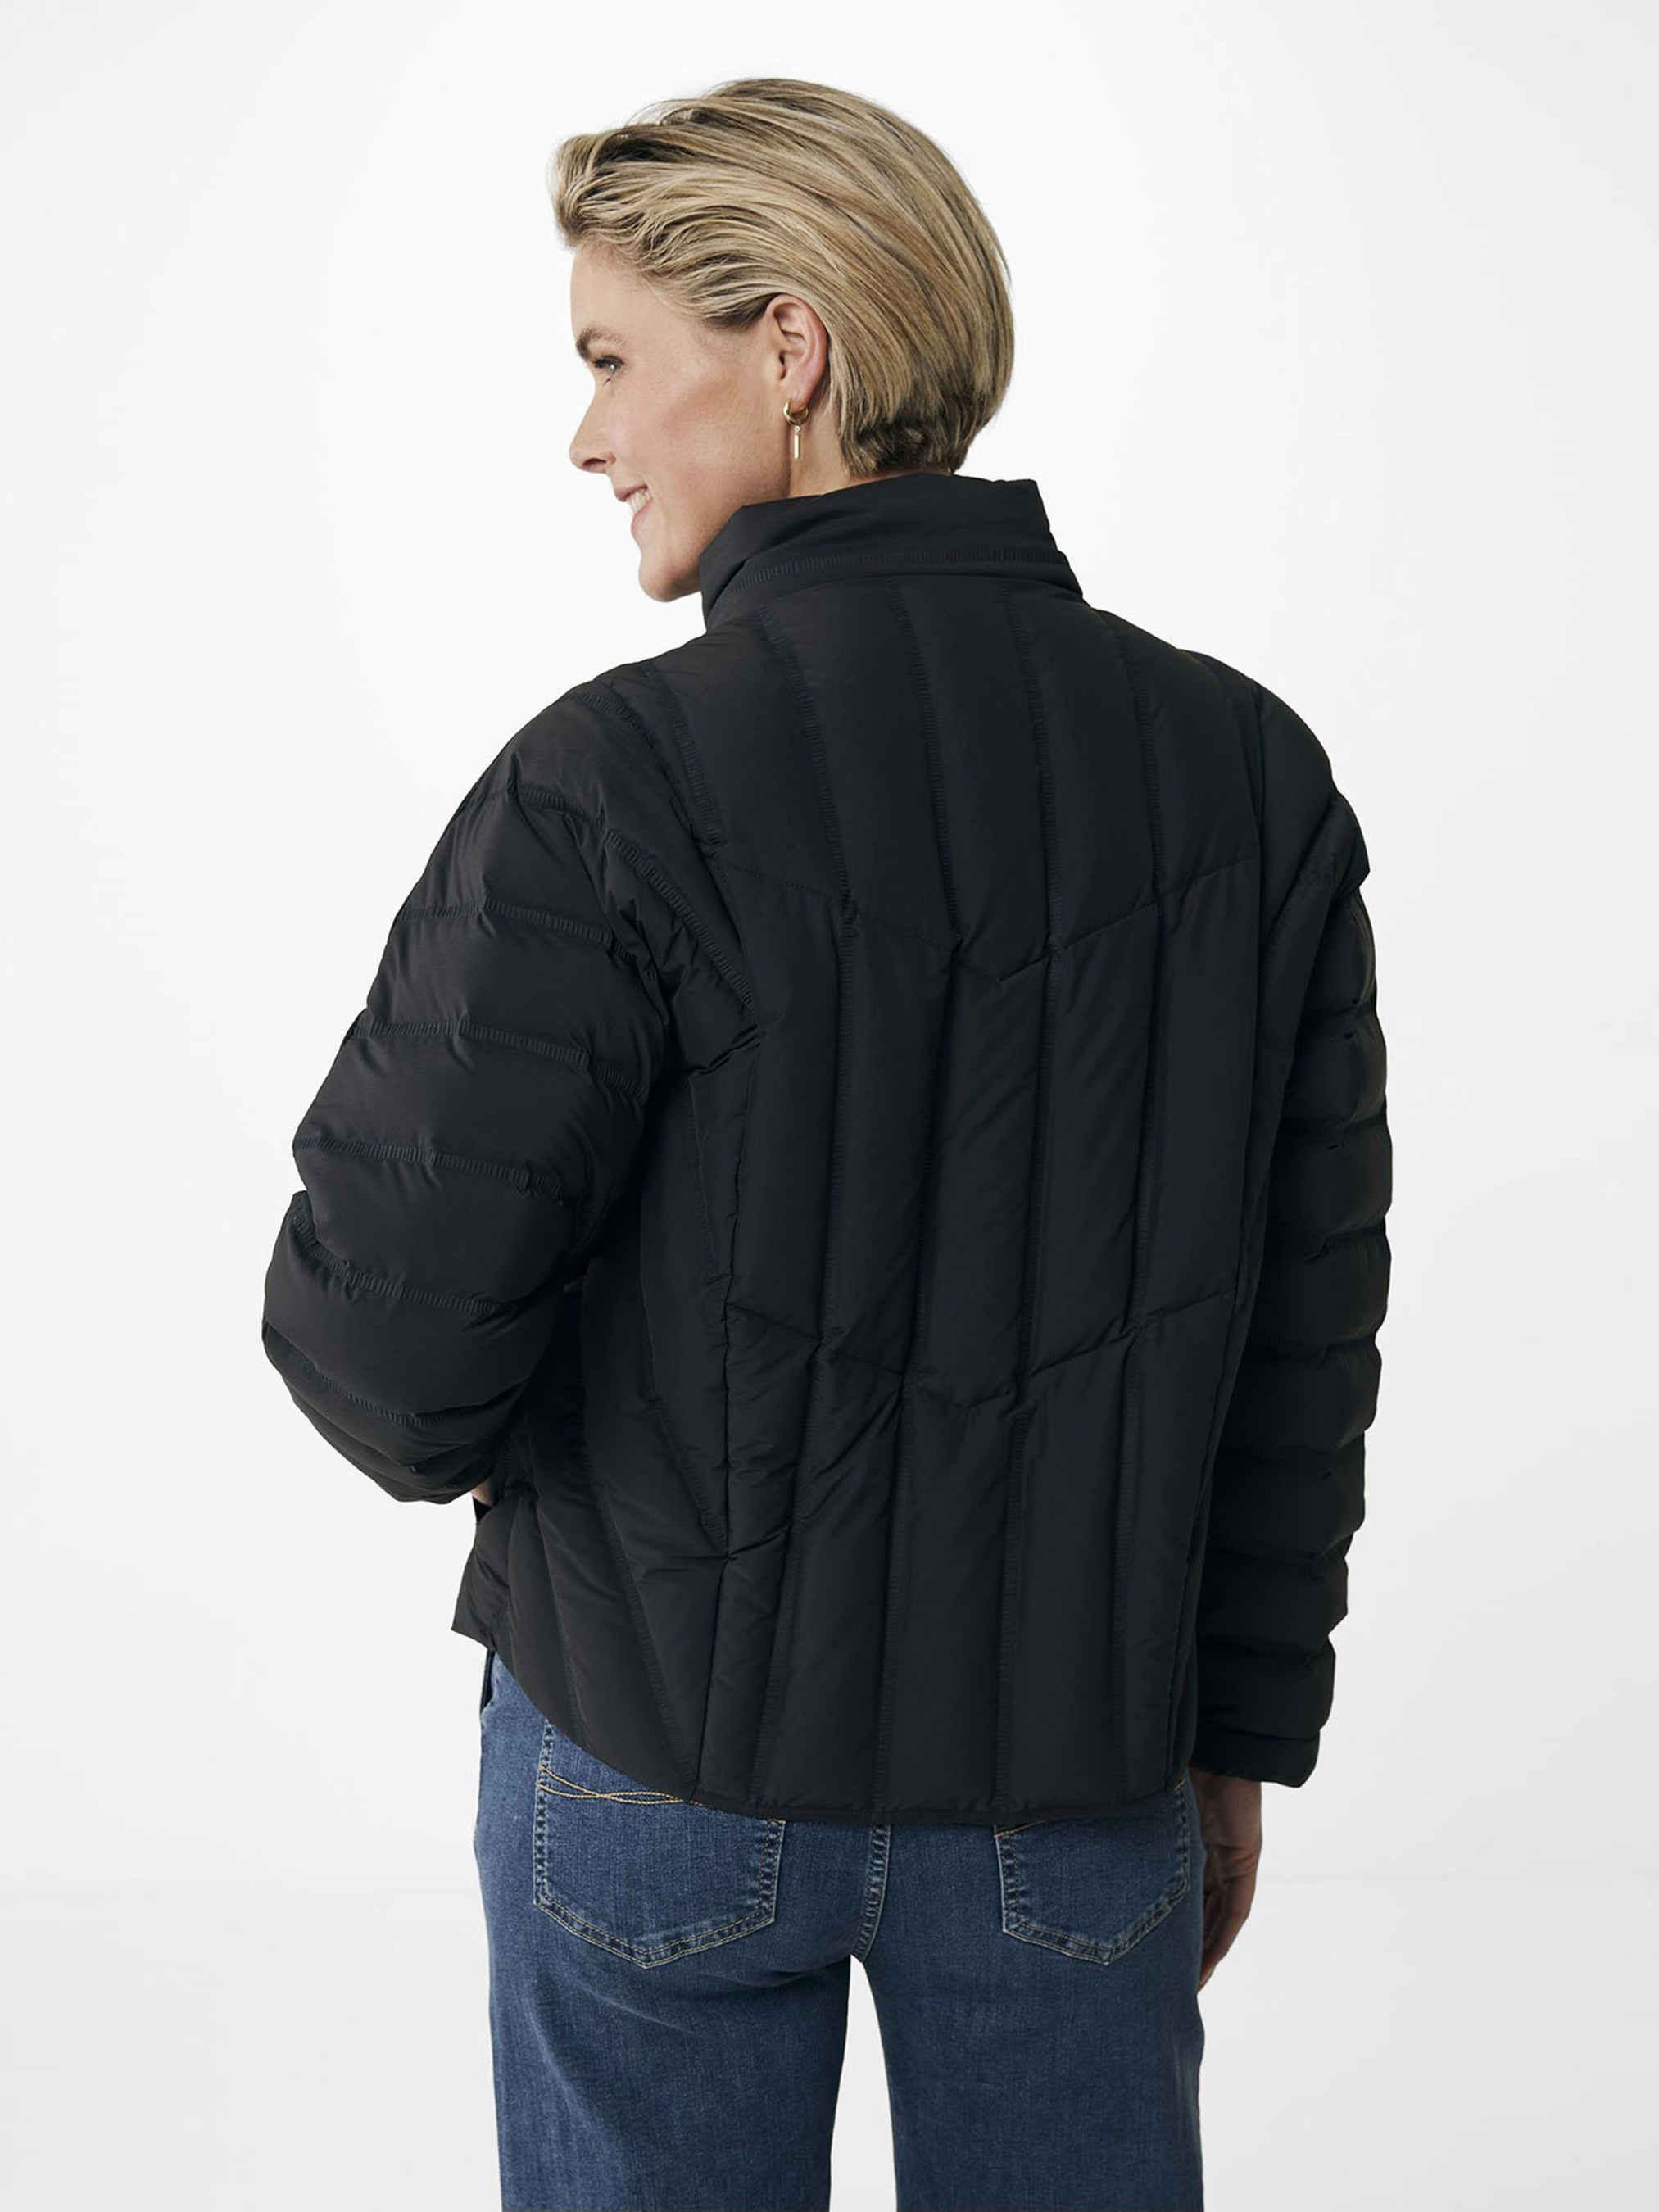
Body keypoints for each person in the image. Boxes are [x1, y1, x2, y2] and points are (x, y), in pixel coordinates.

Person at [261, 75, 1391, 2212]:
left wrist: (522, 1457)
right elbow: (1300, 1347)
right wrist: (1233, 1736)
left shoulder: (616, 780)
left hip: (654, 1757)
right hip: (1080, 1787)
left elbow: (382, 1338)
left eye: (612, 360)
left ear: (787, 350)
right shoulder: (1248, 778)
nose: (586, 436)